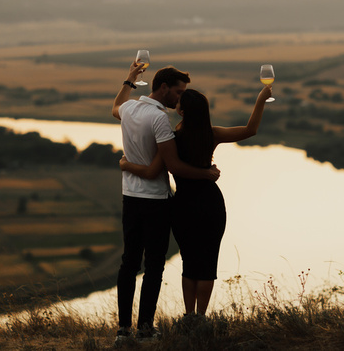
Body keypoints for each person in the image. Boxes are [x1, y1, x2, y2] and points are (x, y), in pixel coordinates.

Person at [120, 83, 272, 316]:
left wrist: (125, 164)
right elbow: (251, 129)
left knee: (189, 263)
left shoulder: (171, 138)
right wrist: (261, 99)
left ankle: (189, 316)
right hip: (210, 204)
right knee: (207, 263)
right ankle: (201, 317)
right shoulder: (212, 134)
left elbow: (155, 169)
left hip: (182, 207)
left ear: (182, 112)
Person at [111, 62, 220, 343]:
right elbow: (168, 166)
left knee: (128, 262)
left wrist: (129, 80)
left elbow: (115, 108)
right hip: (156, 201)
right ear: (163, 89)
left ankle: (123, 330)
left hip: (130, 198)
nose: (180, 98)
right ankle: (145, 329)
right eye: (178, 92)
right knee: (154, 266)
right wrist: (206, 173)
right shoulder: (160, 119)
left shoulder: (130, 109)